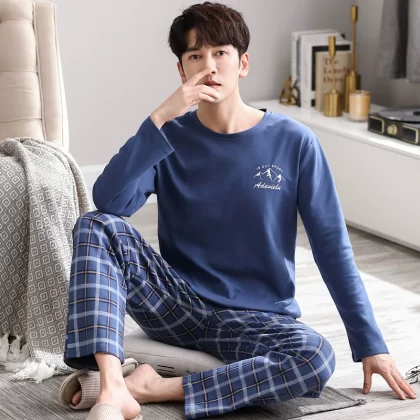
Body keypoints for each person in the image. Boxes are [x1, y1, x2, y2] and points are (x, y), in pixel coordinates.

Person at [61, 2, 416, 420]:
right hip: (177, 306)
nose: (209, 66)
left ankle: (154, 387)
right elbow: (110, 200)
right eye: (195, 56)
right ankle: (112, 386)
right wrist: (161, 116)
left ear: (243, 63)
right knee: (95, 224)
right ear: (181, 71)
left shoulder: (295, 142)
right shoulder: (167, 137)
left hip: (254, 319)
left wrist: (370, 343)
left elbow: (331, 247)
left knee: (315, 356)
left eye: (220, 53)